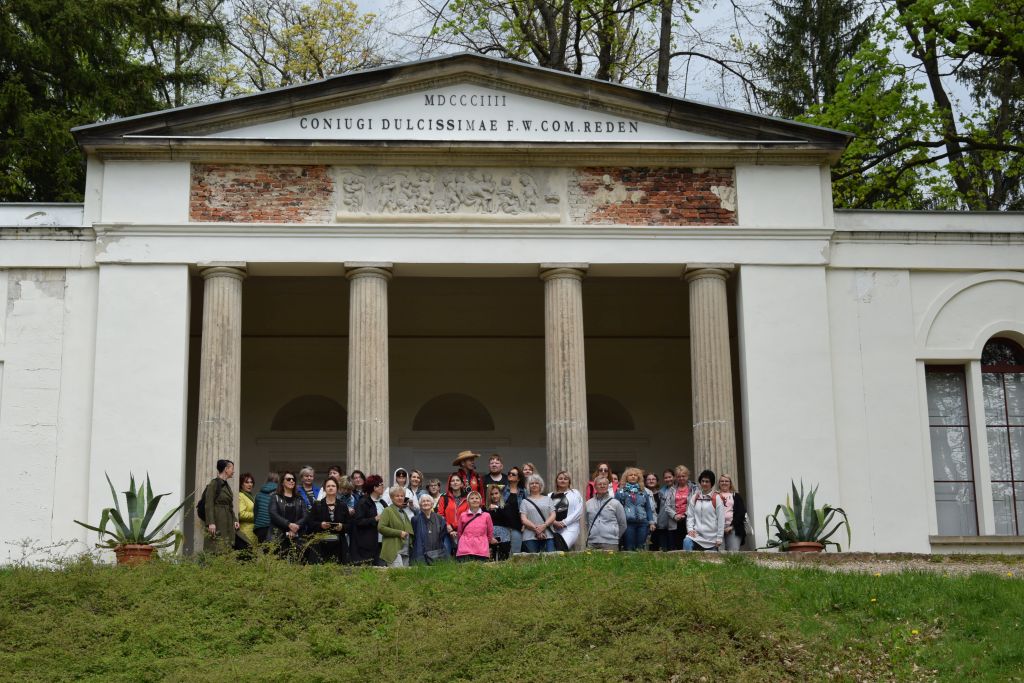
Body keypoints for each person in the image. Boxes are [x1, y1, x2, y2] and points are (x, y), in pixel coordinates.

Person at [306, 476, 348, 564]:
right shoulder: (317, 505)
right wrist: (320, 525)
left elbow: (350, 524)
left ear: (337, 488)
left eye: (333, 486)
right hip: (320, 545)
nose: (331, 488)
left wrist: (342, 526)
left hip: (339, 545)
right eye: (328, 486)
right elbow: (310, 523)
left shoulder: (343, 505)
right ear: (324, 488)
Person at [201, 459, 239, 553]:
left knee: (226, 546)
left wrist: (234, 520)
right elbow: (209, 504)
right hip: (217, 519)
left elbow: (230, 506)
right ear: (226, 469)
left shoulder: (226, 485)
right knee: (216, 547)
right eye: (232, 469)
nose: (233, 471)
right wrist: (211, 522)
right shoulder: (214, 484)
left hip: (227, 520)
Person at [269, 471, 309, 558]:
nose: (292, 481)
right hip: (279, 536)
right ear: (282, 482)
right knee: (279, 565)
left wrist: (296, 526)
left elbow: (305, 515)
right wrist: (289, 524)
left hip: (297, 535)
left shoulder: (299, 498)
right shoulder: (275, 497)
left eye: (293, 479)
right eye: (288, 479)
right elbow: (273, 514)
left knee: (297, 563)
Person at [615, 467, 655, 551]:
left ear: (638, 478)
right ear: (626, 477)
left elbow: (648, 508)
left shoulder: (643, 492)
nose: (633, 476)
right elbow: (617, 510)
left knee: (640, 548)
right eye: (630, 475)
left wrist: (651, 522)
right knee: (629, 548)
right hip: (628, 523)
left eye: (635, 475)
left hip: (642, 523)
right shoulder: (620, 492)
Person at [351, 475, 387, 566]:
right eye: (381, 485)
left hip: (382, 542)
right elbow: (358, 521)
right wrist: (374, 519)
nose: (383, 487)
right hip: (367, 545)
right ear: (374, 487)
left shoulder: (383, 502)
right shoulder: (363, 502)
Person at [685, 470, 725, 552]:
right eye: (702, 481)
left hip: (712, 538)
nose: (704, 484)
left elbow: (721, 519)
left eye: (707, 481)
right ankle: (687, 563)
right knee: (686, 541)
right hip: (697, 536)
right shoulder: (695, 497)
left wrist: (719, 537)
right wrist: (690, 530)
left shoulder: (716, 498)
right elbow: (690, 516)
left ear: (711, 483)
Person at [585, 476, 626, 551]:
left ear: (608, 486)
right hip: (592, 542)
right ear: (595, 486)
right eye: (599, 484)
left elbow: (623, 524)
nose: (602, 486)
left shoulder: (616, 503)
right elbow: (586, 523)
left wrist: (615, 536)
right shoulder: (588, 503)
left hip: (610, 543)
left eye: (604, 484)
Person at [379, 485, 414, 567]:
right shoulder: (388, 510)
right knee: (397, 577)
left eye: (402, 496)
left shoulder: (403, 512)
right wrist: (399, 533)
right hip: (394, 551)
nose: (400, 498)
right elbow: (381, 528)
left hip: (405, 550)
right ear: (391, 497)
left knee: (404, 578)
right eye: (397, 496)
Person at [520, 474, 556, 553]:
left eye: (536, 483)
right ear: (528, 486)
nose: (534, 485)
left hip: (548, 535)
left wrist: (544, 525)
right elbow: (523, 519)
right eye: (531, 483)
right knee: (533, 562)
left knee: (551, 560)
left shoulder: (548, 499)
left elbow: (553, 515)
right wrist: (536, 529)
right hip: (530, 537)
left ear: (541, 485)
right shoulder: (524, 502)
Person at [456, 490, 495, 562]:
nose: (474, 500)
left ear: (480, 501)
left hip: (481, 550)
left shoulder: (486, 516)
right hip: (464, 549)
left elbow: (490, 532)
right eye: (472, 498)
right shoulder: (463, 515)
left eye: (477, 498)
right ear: (468, 501)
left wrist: (485, 542)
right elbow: (459, 532)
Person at [548, 471, 583, 551]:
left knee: (562, 548)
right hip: (553, 528)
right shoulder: (549, 496)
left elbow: (578, 511)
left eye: (565, 479)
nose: (563, 480)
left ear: (569, 482)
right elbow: (546, 512)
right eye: (560, 478)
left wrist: (564, 523)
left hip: (570, 528)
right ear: (556, 481)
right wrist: (554, 522)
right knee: (553, 550)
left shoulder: (575, 493)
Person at [411, 494, 451, 564]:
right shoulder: (415, 519)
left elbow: (443, 535)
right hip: (420, 552)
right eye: (423, 501)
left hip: (437, 553)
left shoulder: (439, 518)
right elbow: (414, 537)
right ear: (420, 505)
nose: (425, 503)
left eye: (428, 501)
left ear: (432, 504)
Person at [437, 472, 469, 549]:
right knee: (446, 558)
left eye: (457, 480)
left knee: (463, 559)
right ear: (450, 484)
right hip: (447, 532)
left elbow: (468, 516)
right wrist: (449, 528)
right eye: (453, 481)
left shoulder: (468, 498)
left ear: (462, 484)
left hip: (464, 532)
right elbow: (440, 516)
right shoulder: (444, 498)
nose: (455, 482)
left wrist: (453, 526)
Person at [718, 473, 748, 551]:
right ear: (719, 483)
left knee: (733, 552)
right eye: (722, 481)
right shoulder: (715, 496)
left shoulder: (736, 496)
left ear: (730, 483)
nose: (724, 483)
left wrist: (731, 526)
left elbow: (741, 513)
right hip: (717, 529)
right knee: (719, 553)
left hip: (733, 529)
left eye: (726, 481)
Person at [486, 484, 514, 560]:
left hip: (504, 538)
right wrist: (489, 537)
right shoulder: (485, 509)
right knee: (490, 561)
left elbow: (510, 521)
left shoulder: (506, 506)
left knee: (504, 560)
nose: (494, 496)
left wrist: (497, 508)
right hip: (490, 538)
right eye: (491, 494)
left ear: (500, 494)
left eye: (496, 493)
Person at [505, 466, 526, 554]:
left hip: (517, 527)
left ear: (518, 478)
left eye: (513, 474)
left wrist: (525, 524)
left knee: (515, 553)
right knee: (504, 553)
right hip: (503, 526)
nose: (510, 475)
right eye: (509, 473)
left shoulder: (524, 492)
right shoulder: (502, 490)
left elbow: (527, 509)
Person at [253, 472, 279, 543]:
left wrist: (257, 523)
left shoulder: (258, 494)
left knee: (264, 552)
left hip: (260, 526)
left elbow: (255, 512)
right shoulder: (279, 493)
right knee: (274, 551)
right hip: (274, 526)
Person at [237, 472, 257, 547]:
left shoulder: (251, 496)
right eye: (246, 482)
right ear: (241, 484)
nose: (250, 484)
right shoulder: (240, 496)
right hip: (245, 532)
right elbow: (241, 514)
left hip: (252, 532)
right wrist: (256, 516)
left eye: (251, 482)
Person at [644, 472, 661, 551]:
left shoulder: (662, 494)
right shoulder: (642, 493)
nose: (651, 481)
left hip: (659, 525)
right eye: (649, 479)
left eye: (653, 479)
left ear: (657, 481)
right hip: (646, 523)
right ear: (645, 481)